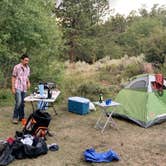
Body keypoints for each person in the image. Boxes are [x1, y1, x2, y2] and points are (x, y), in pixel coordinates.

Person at [11, 54, 30, 124]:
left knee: (22, 103)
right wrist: (13, 88)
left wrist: (28, 82)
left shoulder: (28, 68)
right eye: (25, 60)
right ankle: (15, 117)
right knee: (18, 102)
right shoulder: (17, 67)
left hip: (24, 88)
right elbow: (13, 77)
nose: (27, 62)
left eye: (28, 61)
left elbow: (26, 76)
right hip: (17, 87)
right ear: (21, 60)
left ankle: (21, 117)